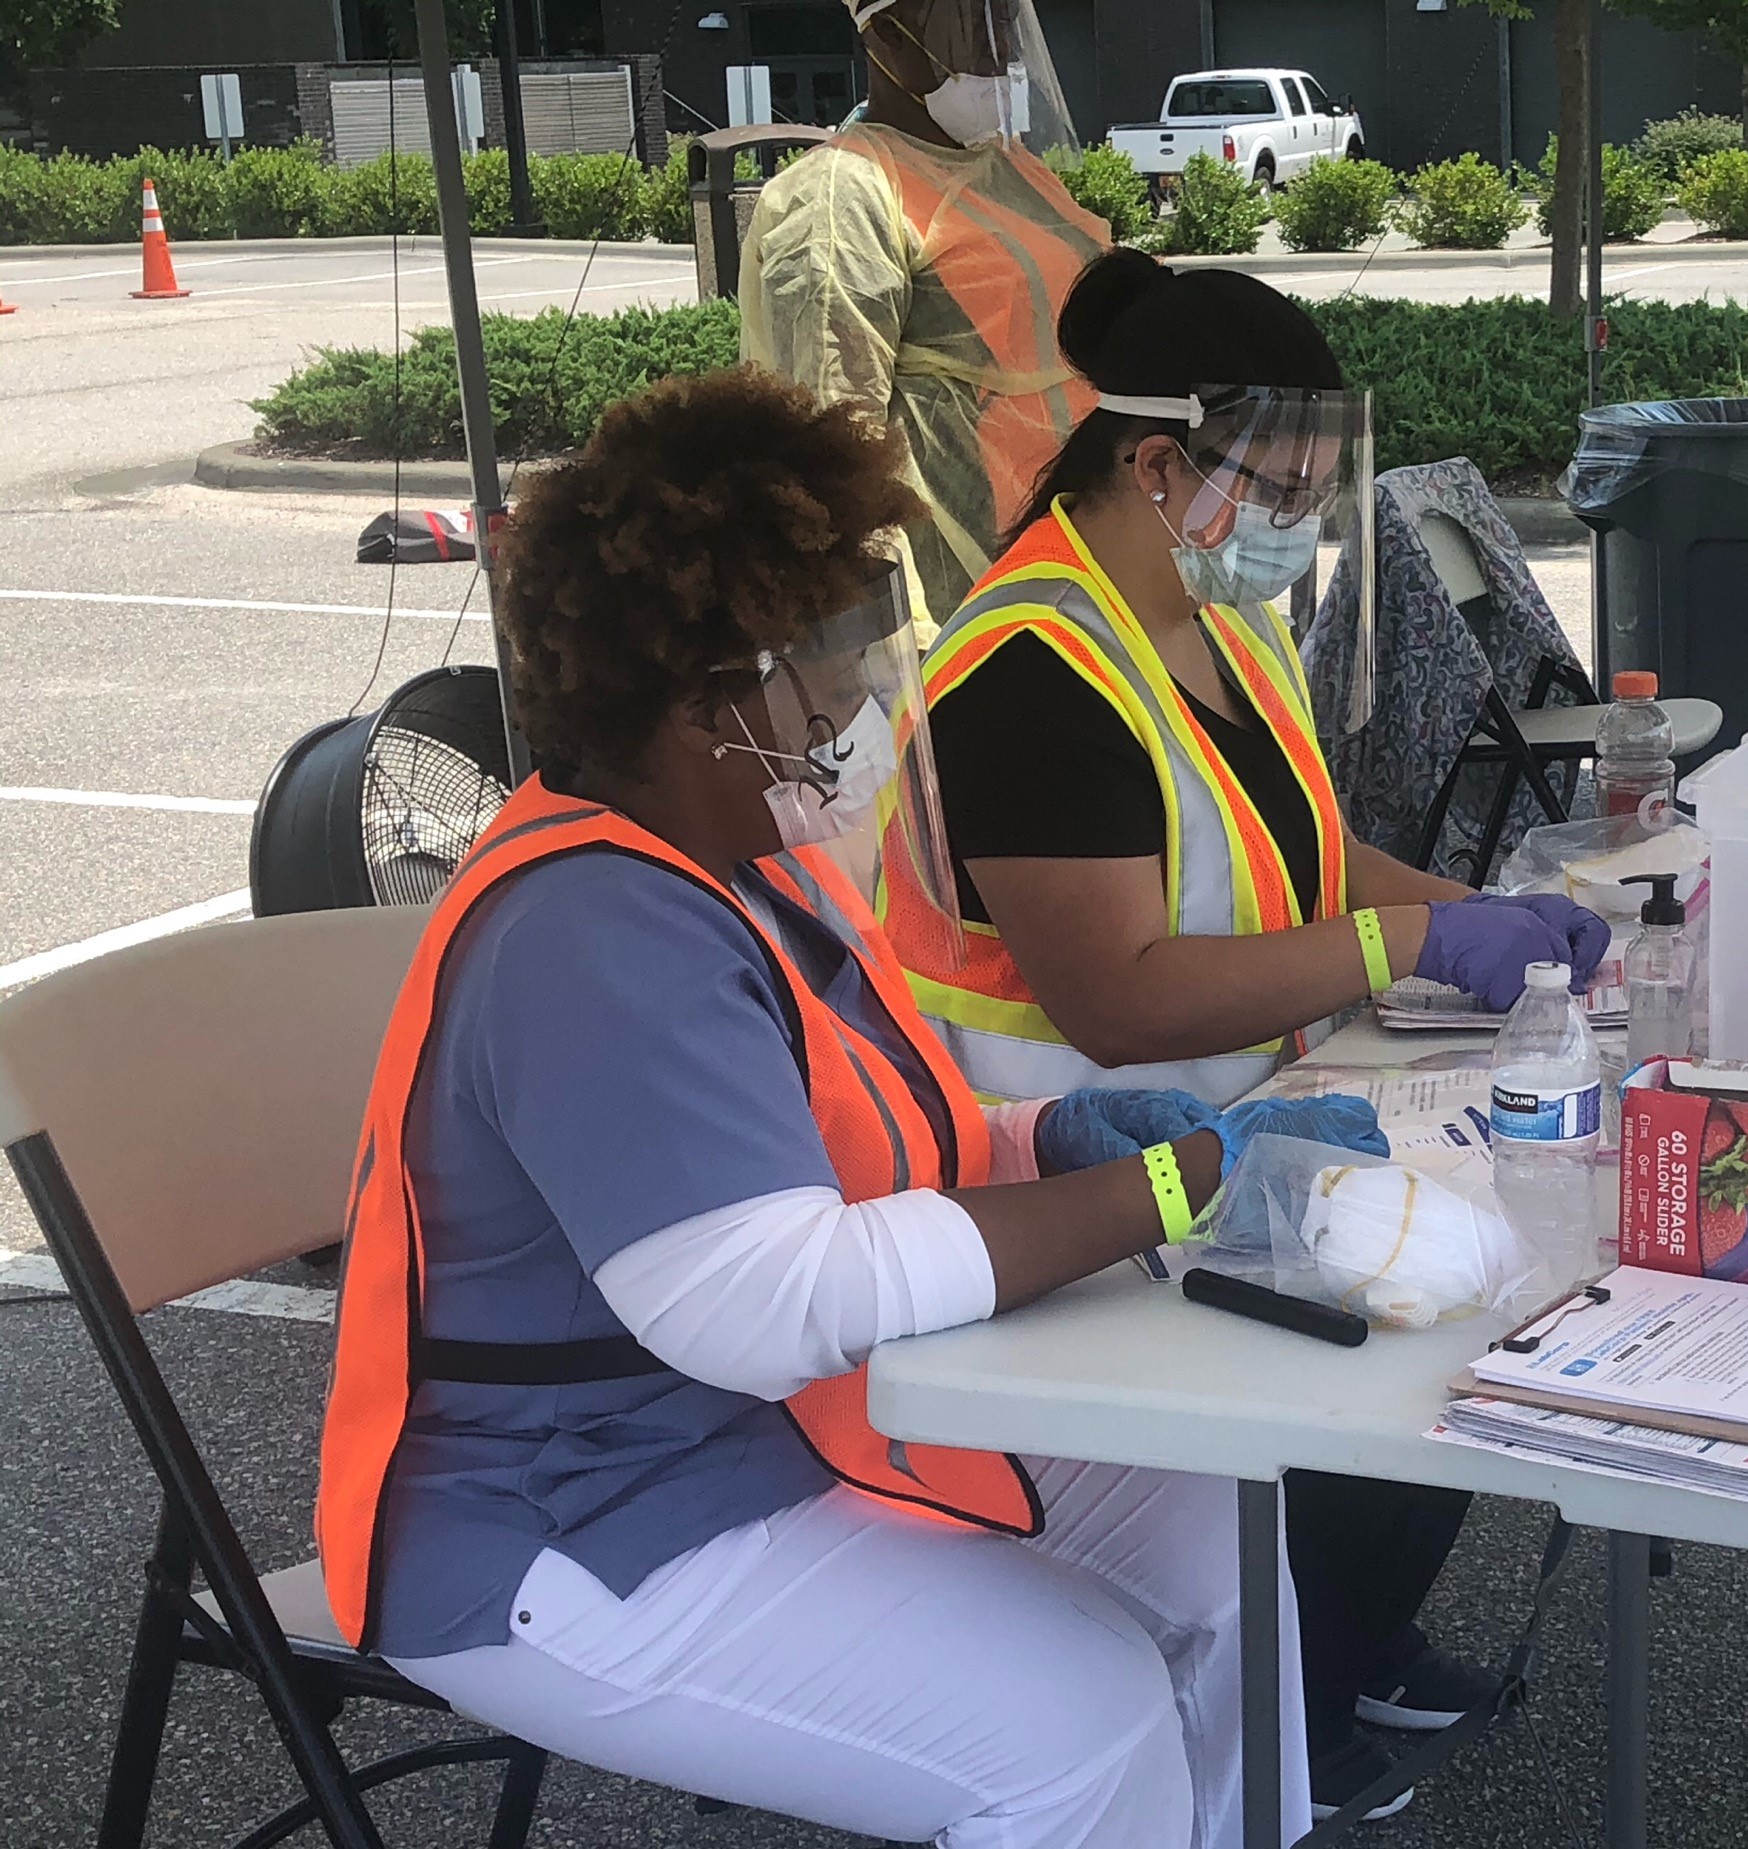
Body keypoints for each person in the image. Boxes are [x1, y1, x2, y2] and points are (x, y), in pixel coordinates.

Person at [314, 366, 1379, 1847]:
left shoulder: (749, 858)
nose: (869, 698)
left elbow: (876, 1137)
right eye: (831, 664)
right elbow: (761, 1301)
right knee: (1077, 1725)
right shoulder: (592, 934)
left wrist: (1048, 1138)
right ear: (706, 702)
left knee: (1214, 1527)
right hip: (570, 1521)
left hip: (767, 1426)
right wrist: (1169, 1187)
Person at [903, 248, 1613, 1818]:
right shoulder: (1028, 668)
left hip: (1254, 1101)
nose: (1298, 522)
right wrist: (1407, 942)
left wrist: (1495, 913)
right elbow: (1118, 994)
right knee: (1383, 1348)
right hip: (1084, 1153)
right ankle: (1281, 1699)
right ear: (1156, 465)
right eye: (1276, 485)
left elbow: (1289, 843)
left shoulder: (1218, 620)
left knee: (1465, 1301)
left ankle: (1343, 1642)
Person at [740, 0, 1109, 625]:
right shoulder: (840, 200)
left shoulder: (1017, 171)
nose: (1004, 54)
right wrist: (888, 654)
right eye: (975, 27)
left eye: (1008, 24)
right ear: (887, 34)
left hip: (1081, 580)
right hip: (966, 618)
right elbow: (826, 458)